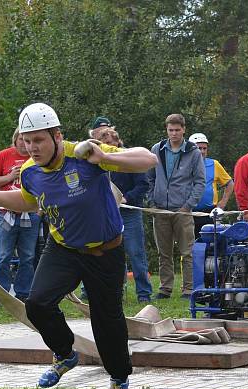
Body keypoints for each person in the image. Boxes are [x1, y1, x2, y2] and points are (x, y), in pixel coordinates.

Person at [0, 103, 157, 389]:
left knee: (107, 322)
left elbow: (149, 159)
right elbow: (28, 201)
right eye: (27, 141)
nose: (32, 148)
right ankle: (66, 354)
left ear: (57, 135)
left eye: (39, 140)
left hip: (105, 250)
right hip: (64, 248)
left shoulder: (84, 154)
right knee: (37, 304)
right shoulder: (30, 171)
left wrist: (104, 157)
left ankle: (119, 380)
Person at [147, 113, 205, 299]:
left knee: (187, 252)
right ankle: (165, 288)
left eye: (177, 130)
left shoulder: (193, 152)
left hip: (183, 209)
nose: (174, 134)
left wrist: (188, 205)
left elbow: (200, 181)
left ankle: (188, 289)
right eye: (170, 130)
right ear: (166, 130)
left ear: (184, 130)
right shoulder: (157, 149)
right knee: (163, 252)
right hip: (160, 209)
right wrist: (151, 202)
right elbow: (148, 177)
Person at [93, 126, 153, 303]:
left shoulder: (130, 159)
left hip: (129, 212)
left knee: (135, 252)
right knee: (109, 253)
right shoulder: (96, 163)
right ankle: (113, 290)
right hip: (107, 214)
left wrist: (127, 198)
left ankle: (143, 293)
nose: (108, 146)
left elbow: (143, 184)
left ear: (117, 142)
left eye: (111, 142)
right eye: (104, 143)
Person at [0, 127, 39, 302]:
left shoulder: (38, 156)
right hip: (6, 213)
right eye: (21, 140)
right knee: (3, 254)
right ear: (15, 140)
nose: (25, 145)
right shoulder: (4, 155)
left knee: (28, 255)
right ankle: (1, 294)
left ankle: (23, 294)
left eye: (28, 140)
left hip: (30, 213)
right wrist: (10, 177)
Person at [190, 133, 234, 236]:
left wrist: (223, 202)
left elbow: (230, 183)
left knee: (210, 243)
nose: (202, 151)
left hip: (209, 213)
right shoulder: (183, 164)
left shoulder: (213, 164)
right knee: (190, 244)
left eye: (204, 148)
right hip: (189, 212)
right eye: (199, 148)